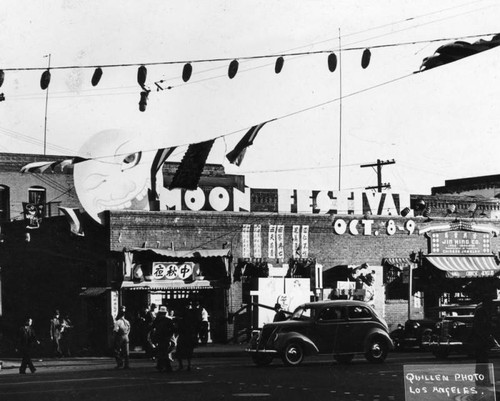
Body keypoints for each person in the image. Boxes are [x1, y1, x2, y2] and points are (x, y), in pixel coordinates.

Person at [471, 290, 500, 386]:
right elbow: (480, 326)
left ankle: (482, 380)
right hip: (481, 340)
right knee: (482, 361)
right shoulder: (482, 310)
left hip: (480, 340)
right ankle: (483, 381)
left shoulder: (481, 308)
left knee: (482, 361)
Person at [150, 306, 175, 372]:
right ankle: (165, 367)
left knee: (162, 352)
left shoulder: (159, 320)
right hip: (163, 338)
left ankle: (162, 366)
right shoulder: (167, 320)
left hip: (162, 338)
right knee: (163, 352)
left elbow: (152, 327)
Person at [176, 301, 198, 371]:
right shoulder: (192, 316)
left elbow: (178, 328)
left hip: (183, 336)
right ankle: (189, 365)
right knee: (188, 351)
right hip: (189, 336)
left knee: (179, 351)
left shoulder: (181, 319)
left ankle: (181, 365)